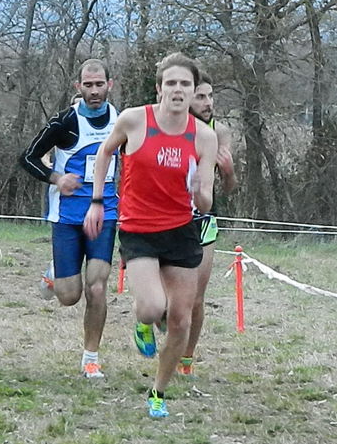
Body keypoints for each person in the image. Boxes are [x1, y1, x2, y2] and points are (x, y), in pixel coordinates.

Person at [84, 52, 217, 418]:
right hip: (139, 227)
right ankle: (144, 324)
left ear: (193, 92)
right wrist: (97, 200)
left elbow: (206, 202)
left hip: (181, 230)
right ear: (159, 88)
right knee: (152, 307)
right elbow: (104, 154)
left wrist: (197, 191)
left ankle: (158, 392)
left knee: (181, 320)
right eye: (171, 83)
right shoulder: (134, 120)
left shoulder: (204, 137)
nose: (178, 90)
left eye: (185, 84)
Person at [19, 59, 118, 379]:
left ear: (109, 85)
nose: (94, 91)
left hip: (105, 212)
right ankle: (55, 274)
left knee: (98, 288)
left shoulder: (122, 121)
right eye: (87, 85)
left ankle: (91, 357)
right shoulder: (65, 122)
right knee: (68, 296)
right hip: (66, 216)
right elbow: (28, 157)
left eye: (99, 84)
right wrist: (56, 178)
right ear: (78, 87)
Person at [177, 70, 237, 376]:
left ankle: (186, 357)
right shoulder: (171, 127)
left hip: (203, 222)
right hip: (170, 218)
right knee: (169, 299)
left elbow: (229, 190)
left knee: (197, 299)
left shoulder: (220, 132)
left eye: (210, 96)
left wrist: (228, 172)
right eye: (200, 96)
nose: (207, 102)